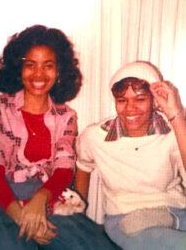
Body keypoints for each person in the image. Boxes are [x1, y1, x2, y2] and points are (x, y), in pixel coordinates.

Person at [0, 24, 119, 249]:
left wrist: (40, 203)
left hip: (47, 196)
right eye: (30, 65)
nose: (38, 74)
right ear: (19, 68)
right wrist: (22, 216)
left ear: (59, 72)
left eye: (48, 66)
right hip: (1, 200)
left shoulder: (66, 115)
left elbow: (64, 169)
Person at [75, 61, 186, 249]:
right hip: (126, 219)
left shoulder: (174, 133)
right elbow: (83, 166)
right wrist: (78, 215)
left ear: (154, 100)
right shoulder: (95, 136)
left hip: (176, 212)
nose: (130, 108)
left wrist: (175, 114)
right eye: (122, 100)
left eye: (140, 99)